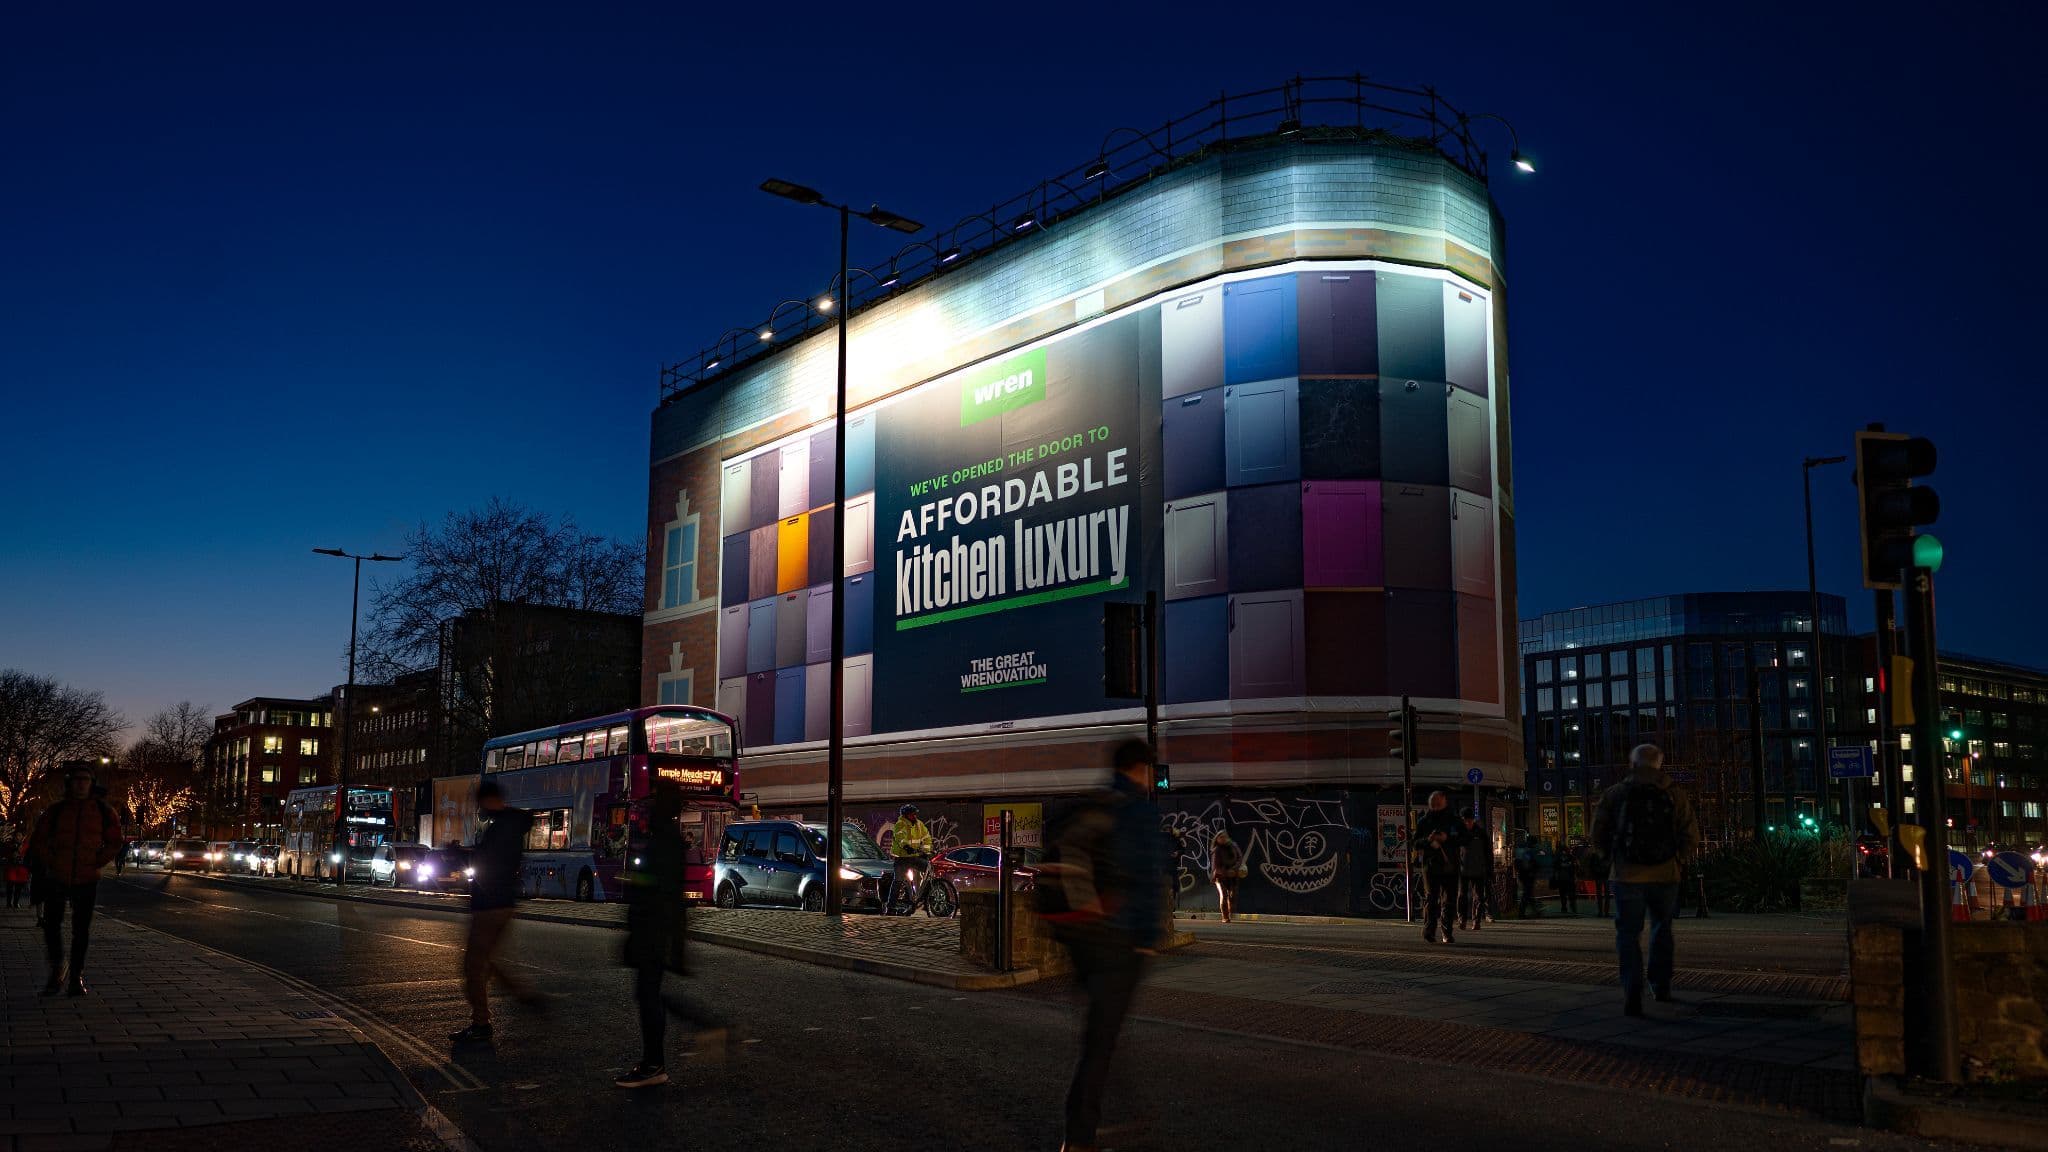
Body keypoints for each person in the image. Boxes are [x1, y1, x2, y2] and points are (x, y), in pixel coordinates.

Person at [1044, 739, 1166, 1152]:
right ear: (1142, 769)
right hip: (1120, 940)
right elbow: (1149, 879)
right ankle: (1081, 1136)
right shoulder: (1137, 812)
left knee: (1101, 1036)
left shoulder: (1096, 803)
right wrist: (1149, 941)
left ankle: (1095, 1126)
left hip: (1084, 940)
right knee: (1101, 1041)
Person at [615, 782, 728, 1089]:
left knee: (649, 994)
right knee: (651, 992)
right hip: (658, 927)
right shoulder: (668, 840)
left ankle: (656, 1063)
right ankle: (668, 1051)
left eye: (651, 804)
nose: (646, 810)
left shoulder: (661, 842)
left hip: (653, 927)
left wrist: (633, 880)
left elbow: (657, 887)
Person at [1590, 743, 1701, 1016]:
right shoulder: (1674, 794)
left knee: (1628, 935)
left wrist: (1610, 858)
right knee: (1662, 929)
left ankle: (1632, 991)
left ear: (1633, 764)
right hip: (1665, 874)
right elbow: (1691, 834)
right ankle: (1661, 986)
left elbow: (1598, 833)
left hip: (1627, 875)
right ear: (1659, 764)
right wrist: (1679, 860)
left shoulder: (1616, 794)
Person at [451, 779, 539, 1044]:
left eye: (480, 803)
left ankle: (481, 1023)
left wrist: (458, 855)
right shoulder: (509, 825)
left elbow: (486, 863)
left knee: (473, 966)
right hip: (501, 903)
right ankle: (522, 996)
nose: (479, 809)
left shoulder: (502, 829)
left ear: (490, 800)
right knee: (485, 961)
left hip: (491, 905)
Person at [27, 763, 124, 995]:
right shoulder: (57, 810)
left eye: (85, 780)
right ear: (70, 783)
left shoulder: (103, 811)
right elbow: (38, 840)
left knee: (81, 930)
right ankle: (57, 968)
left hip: (87, 876)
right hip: (57, 876)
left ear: (92, 784)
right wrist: (52, 861)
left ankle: (76, 976)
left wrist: (97, 860)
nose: (81, 784)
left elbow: (115, 841)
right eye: (77, 780)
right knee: (52, 925)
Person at [1413, 792, 1467, 943]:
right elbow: (1415, 842)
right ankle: (1430, 931)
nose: (1436, 807)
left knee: (1448, 900)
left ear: (1444, 802)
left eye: (1438, 804)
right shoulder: (1425, 821)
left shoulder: (1454, 820)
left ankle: (1446, 932)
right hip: (1431, 866)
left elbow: (1465, 838)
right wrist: (1428, 841)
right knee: (1431, 898)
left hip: (1449, 865)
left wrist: (1447, 839)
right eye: (1433, 804)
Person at [888, 803, 933, 910]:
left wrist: (926, 851)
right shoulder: (900, 824)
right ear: (905, 815)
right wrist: (906, 847)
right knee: (898, 881)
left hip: (914, 857)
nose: (914, 816)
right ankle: (891, 906)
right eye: (912, 814)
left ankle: (925, 900)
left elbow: (927, 838)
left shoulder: (919, 824)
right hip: (902, 858)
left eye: (915, 814)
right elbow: (900, 838)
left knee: (929, 870)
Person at [1457, 810, 1491, 931]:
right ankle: (1462, 919)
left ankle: (1476, 921)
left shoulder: (1481, 833)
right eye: (1465, 821)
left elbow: (1488, 852)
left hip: (1478, 869)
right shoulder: (1459, 833)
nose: (1467, 823)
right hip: (1463, 868)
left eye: (1469, 820)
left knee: (1478, 897)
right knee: (1462, 895)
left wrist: (1488, 869)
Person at [1209, 828, 1244, 923]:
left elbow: (1239, 858)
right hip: (1220, 876)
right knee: (1224, 895)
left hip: (1233, 874)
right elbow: (1215, 865)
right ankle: (1225, 916)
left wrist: (1234, 869)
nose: (1222, 839)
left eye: (1224, 837)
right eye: (1220, 837)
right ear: (1217, 839)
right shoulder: (1216, 850)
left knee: (1233, 895)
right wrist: (1221, 873)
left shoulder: (1233, 846)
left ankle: (1230, 910)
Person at [1552, 837, 1579, 915]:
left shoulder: (1558, 857)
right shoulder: (1571, 857)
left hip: (1562, 878)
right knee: (1571, 894)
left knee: (1563, 894)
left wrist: (1555, 875)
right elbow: (1575, 866)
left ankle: (1564, 907)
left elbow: (1555, 867)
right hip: (1569, 878)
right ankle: (1573, 907)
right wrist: (1575, 876)